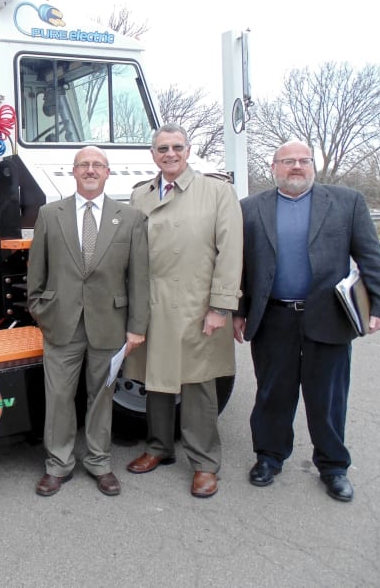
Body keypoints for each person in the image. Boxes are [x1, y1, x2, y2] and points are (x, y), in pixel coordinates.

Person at [233, 139, 380, 501]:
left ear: (313, 166)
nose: (296, 167)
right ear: (274, 168)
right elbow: (240, 266)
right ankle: (269, 457)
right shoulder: (250, 209)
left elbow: (370, 255)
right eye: (288, 161)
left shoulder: (346, 202)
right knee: (273, 394)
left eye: (303, 160)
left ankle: (333, 466)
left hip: (328, 316)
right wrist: (238, 312)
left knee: (329, 397)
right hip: (274, 317)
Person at [124, 123, 242, 498]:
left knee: (198, 385)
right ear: (153, 155)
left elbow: (231, 253)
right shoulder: (139, 195)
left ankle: (205, 462)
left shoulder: (218, 192)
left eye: (177, 147)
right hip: (154, 304)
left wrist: (220, 306)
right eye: (162, 148)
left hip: (197, 305)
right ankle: (159, 447)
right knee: (155, 381)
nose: (170, 154)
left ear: (188, 151)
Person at [27, 146, 149, 497]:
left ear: (108, 173)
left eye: (98, 165)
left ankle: (99, 462)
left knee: (102, 396)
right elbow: (36, 271)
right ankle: (58, 465)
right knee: (60, 396)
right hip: (61, 323)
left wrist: (137, 326)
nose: (91, 170)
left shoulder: (130, 218)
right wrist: (40, 310)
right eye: (84, 165)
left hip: (110, 323)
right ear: (74, 172)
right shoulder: (50, 215)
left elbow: (139, 278)